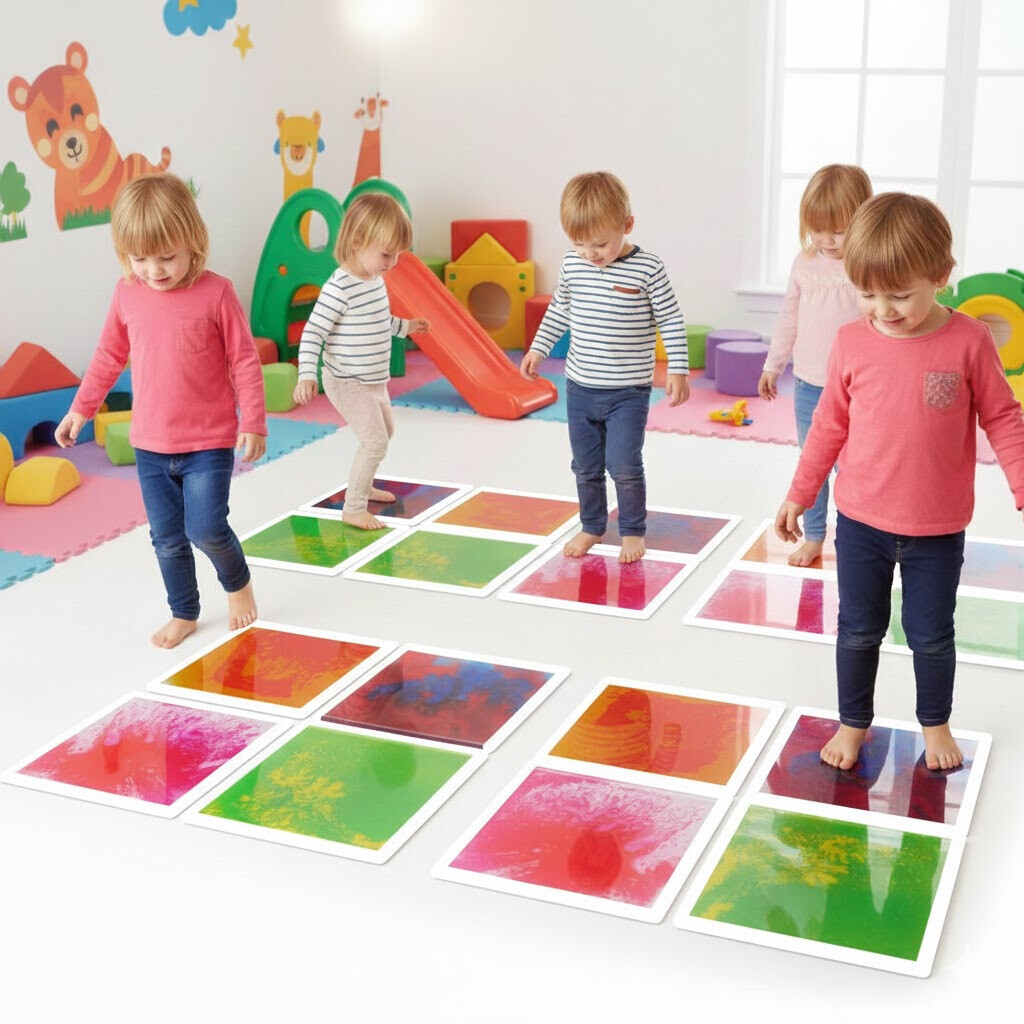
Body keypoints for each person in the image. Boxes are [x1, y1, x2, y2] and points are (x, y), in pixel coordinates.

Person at [775, 192, 1024, 772]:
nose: (882, 309)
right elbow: (828, 424)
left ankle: (935, 725)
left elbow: (1003, 417)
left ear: (940, 275)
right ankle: (853, 722)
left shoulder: (969, 340)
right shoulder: (851, 341)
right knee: (858, 630)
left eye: (899, 295)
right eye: (867, 294)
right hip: (860, 521)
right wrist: (800, 492)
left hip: (936, 528)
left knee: (931, 634)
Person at [55, 172, 267, 650]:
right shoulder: (126, 294)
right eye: (140, 258)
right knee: (167, 538)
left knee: (206, 528)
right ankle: (184, 611)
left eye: (167, 256)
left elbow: (244, 361)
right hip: (150, 446)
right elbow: (108, 356)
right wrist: (80, 410)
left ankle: (238, 585)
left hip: (208, 442)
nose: (154, 270)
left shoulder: (216, 293)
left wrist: (253, 421)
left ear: (193, 239)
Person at [520, 171, 689, 564]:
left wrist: (678, 369)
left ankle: (632, 529)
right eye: (579, 244)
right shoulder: (572, 264)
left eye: (600, 244)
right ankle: (592, 525)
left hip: (628, 392)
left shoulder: (648, 268)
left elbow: (670, 319)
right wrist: (538, 349)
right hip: (580, 388)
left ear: (627, 225)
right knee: (585, 466)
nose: (590, 254)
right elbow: (559, 309)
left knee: (624, 465)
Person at [758, 164, 873, 567]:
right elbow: (789, 317)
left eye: (838, 230)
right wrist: (774, 365)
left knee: (854, 467)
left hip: (857, 388)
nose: (826, 240)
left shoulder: (865, 265)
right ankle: (815, 536)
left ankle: (859, 536)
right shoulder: (804, 263)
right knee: (813, 464)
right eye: (818, 229)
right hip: (808, 385)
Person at [293, 192, 427, 529]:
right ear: (357, 242)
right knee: (374, 442)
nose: (392, 263)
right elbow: (313, 332)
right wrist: (307, 374)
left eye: (397, 255)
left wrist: (406, 327)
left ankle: (363, 486)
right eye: (386, 254)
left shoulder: (375, 281)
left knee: (386, 433)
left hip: (374, 381)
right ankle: (353, 507)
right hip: (347, 381)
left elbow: (378, 320)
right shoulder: (339, 288)